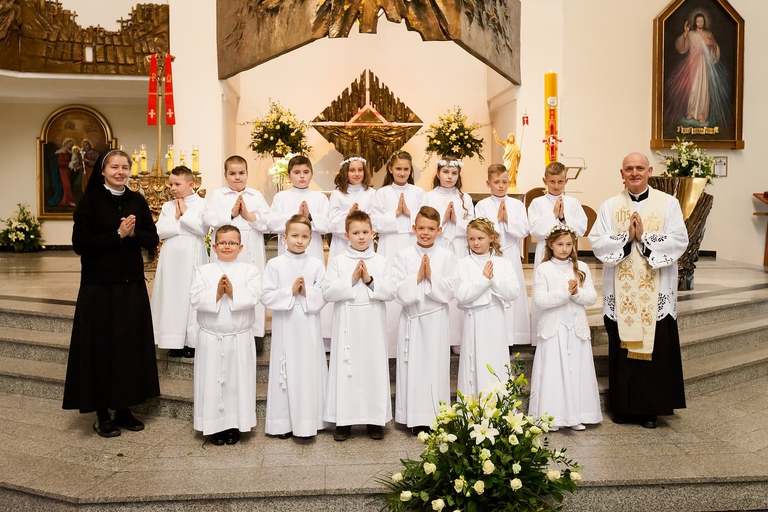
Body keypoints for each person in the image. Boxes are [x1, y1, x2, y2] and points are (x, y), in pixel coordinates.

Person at [62, 149, 160, 438]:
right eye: (114, 167)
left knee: (128, 347)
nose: (120, 171)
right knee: (101, 348)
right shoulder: (90, 201)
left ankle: (125, 408)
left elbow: (151, 238)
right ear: (103, 171)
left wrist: (132, 235)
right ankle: (102, 412)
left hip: (130, 287)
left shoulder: (136, 200)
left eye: (124, 167)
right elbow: (80, 243)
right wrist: (116, 235)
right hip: (99, 288)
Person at [589, 152, 689, 429]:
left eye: (640, 168)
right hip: (621, 293)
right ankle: (623, 407)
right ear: (621, 173)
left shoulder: (668, 204)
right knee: (622, 348)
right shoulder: (610, 206)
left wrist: (644, 238)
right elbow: (597, 241)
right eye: (629, 169)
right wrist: (625, 238)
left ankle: (649, 409)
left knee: (655, 349)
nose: (634, 173)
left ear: (649, 171)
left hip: (655, 290)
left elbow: (680, 239)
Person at [322, 211, 394, 441]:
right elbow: (328, 292)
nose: (361, 237)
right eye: (356, 233)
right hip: (347, 321)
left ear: (373, 233)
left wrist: (370, 281)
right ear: (347, 235)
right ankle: (344, 421)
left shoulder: (381, 261)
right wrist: (351, 280)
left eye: (365, 232)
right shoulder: (338, 261)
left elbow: (391, 291)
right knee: (347, 369)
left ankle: (375, 420)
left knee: (372, 368)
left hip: (373, 322)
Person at [190, 225, 261, 445]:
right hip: (211, 337)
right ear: (214, 246)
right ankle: (213, 427)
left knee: (236, 385)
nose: (227, 246)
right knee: (211, 383)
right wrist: (216, 293)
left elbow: (255, 295)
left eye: (232, 243)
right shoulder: (203, 270)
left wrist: (233, 293)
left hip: (238, 337)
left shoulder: (250, 270)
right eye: (222, 242)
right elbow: (194, 298)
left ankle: (234, 426)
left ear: (240, 247)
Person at [528, 224, 602, 431]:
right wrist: (565, 293)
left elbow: (591, 298)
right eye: (560, 244)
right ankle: (551, 417)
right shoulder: (544, 269)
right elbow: (540, 300)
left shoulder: (582, 268)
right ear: (551, 245)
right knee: (554, 371)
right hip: (554, 327)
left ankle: (576, 414)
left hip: (576, 327)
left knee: (575, 370)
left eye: (569, 244)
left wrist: (577, 292)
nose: (564, 248)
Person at [391, 206, 456, 433]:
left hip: (436, 319)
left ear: (439, 230)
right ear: (413, 228)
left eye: (430, 228)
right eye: (421, 228)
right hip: (412, 319)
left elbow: (450, 290)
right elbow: (397, 290)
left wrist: (431, 278)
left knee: (435, 367)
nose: (425, 233)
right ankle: (411, 417)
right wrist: (417, 277)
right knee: (413, 369)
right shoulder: (403, 256)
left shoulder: (447, 256)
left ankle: (436, 417)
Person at [262, 215, 327, 439]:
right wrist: (289, 291)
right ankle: (283, 423)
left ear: (310, 239)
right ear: (284, 237)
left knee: (309, 369)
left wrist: (308, 292)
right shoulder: (275, 264)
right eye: (294, 236)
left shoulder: (316, 264)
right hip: (286, 324)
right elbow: (266, 295)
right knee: (285, 371)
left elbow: (324, 293)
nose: (299, 241)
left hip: (309, 325)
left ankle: (311, 421)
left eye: (304, 236)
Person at [203, 155, 270, 343]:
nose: (237, 177)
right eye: (232, 173)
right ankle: (224, 327)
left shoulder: (255, 195)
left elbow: (268, 223)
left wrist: (249, 216)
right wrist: (230, 214)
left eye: (241, 173)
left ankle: (255, 334)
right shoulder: (218, 195)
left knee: (251, 285)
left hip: (251, 248)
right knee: (226, 283)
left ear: (247, 174)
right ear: (225, 175)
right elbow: (208, 218)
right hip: (225, 248)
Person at [454, 218, 518, 396]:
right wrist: (484, 281)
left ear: (491, 238)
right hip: (473, 320)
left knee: (495, 361)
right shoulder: (462, 264)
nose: (475, 243)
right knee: (474, 364)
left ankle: (498, 408)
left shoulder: (503, 264)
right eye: (471, 239)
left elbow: (513, 292)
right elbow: (461, 295)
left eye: (480, 238)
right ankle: (474, 409)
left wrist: (493, 280)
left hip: (495, 319)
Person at [370, 150, 424, 355]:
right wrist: (395, 215)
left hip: (412, 245)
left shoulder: (419, 193)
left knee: (410, 283)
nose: (402, 172)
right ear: (391, 169)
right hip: (389, 246)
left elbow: (425, 221)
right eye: (398, 168)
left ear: (411, 171)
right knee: (390, 287)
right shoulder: (381, 193)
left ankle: (412, 342)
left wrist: (409, 215)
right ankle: (390, 344)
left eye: (406, 169)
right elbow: (374, 222)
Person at [150, 166, 207, 358]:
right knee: (172, 295)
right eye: (171, 184)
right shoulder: (167, 206)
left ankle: (191, 342)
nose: (172, 187)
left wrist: (186, 215)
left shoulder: (201, 204)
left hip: (192, 254)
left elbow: (202, 230)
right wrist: (178, 219)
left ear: (191, 184)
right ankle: (173, 341)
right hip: (171, 257)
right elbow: (159, 231)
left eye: (177, 184)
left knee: (190, 296)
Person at [421, 157, 474, 349]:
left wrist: (457, 221)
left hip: (459, 247)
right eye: (445, 172)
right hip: (439, 246)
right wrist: (443, 220)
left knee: (458, 287)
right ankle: (439, 338)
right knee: (439, 286)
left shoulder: (465, 198)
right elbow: (424, 225)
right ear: (437, 173)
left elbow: (472, 227)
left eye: (453, 173)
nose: (449, 176)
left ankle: (458, 340)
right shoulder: (429, 197)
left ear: (458, 175)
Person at [474, 164, 531, 345]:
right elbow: (480, 230)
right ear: (488, 183)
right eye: (496, 182)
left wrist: (507, 221)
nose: (501, 185)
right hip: (491, 255)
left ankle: (514, 336)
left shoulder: (517, 204)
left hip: (511, 253)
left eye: (504, 181)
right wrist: (497, 224)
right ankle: (494, 335)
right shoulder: (482, 206)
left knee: (512, 291)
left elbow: (524, 230)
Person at [666, 12, 728, 127]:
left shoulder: (708, 34)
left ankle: (702, 114)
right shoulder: (691, 34)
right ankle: (691, 112)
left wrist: (712, 45)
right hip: (693, 65)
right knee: (693, 89)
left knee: (704, 89)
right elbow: (682, 48)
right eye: (698, 21)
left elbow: (715, 49)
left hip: (704, 65)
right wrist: (685, 34)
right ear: (695, 22)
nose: (700, 23)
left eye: (702, 21)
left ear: (704, 22)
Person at [268, 155, 330, 261]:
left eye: (306, 172)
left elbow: (327, 225)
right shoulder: (280, 197)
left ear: (311, 174)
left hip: (312, 250)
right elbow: (272, 224)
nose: (302, 176)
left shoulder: (320, 198)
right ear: (289, 175)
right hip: (287, 251)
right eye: (297, 172)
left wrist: (309, 217)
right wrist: (297, 217)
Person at [527, 161, 587, 267]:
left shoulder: (573, 202)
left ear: (566, 181)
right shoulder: (537, 203)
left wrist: (563, 218)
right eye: (552, 181)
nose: (556, 186)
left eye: (560, 181)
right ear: (545, 181)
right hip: (544, 252)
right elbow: (534, 231)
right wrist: (553, 215)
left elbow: (581, 229)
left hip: (567, 252)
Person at [328, 156, 376, 259]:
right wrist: (349, 216)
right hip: (341, 246)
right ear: (345, 172)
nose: (357, 174)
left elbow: (375, 219)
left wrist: (361, 219)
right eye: (352, 170)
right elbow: (331, 223)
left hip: (364, 244)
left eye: (360, 170)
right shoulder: (337, 194)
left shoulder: (372, 193)